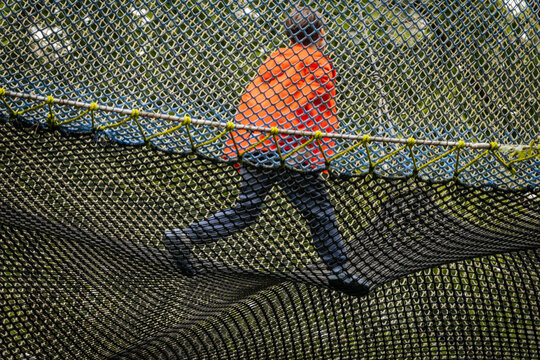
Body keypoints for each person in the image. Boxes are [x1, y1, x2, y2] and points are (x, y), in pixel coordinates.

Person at [163, 6, 370, 297]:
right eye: (324, 30)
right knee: (318, 211)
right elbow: (308, 106)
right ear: (319, 34)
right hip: (287, 146)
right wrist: (305, 153)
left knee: (246, 210)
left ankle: (185, 237)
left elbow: (259, 102)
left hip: (253, 143)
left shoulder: (275, 59)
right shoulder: (316, 61)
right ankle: (338, 269)